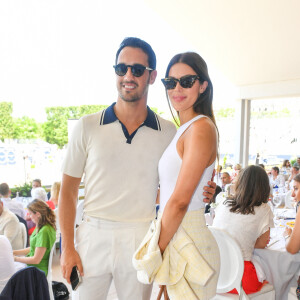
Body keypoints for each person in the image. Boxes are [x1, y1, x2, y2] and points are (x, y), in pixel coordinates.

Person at [59, 37, 216, 300]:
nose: (128, 75)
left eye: (137, 69)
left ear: (152, 76)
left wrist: (207, 190)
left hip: (142, 236)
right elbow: (67, 192)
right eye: (122, 69)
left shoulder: (170, 132)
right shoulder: (86, 126)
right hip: (93, 235)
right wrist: (67, 247)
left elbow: (179, 182)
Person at [155, 51, 220, 298]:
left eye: (187, 81)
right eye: (170, 82)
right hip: (174, 234)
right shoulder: (183, 130)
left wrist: (156, 252)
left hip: (188, 239)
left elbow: (180, 202)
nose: (177, 88)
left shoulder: (200, 128)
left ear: (203, 85)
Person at [213, 165, 274, 294]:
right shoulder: (264, 209)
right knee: (273, 275)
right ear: (264, 187)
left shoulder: (224, 203)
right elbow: (261, 245)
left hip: (214, 274)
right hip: (240, 279)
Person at [13, 199, 56, 277]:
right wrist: (14, 252)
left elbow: (36, 260)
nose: (29, 216)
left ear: (38, 214)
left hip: (37, 271)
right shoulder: (41, 226)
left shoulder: (44, 231)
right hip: (33, 267)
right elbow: (34, 248)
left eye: (30, 213)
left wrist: (15, 259)